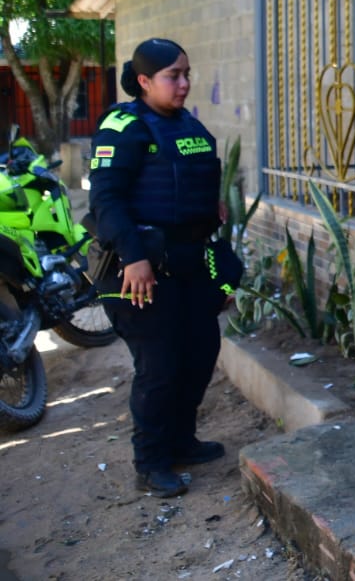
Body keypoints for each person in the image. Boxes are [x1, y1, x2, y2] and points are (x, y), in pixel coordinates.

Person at [90, 39, 227, 498]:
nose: (185, 83)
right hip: (140, 270)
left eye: (187, 73)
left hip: (190, 263)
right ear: (144, 80)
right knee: (159, 365)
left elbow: (194, 176)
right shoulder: (122, 126)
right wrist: (134, 258)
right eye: (174, 75)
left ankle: (181, 441)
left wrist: (214, 204)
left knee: (201, 349)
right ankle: (150, 463)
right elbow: (106, 201)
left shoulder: (187, 122)